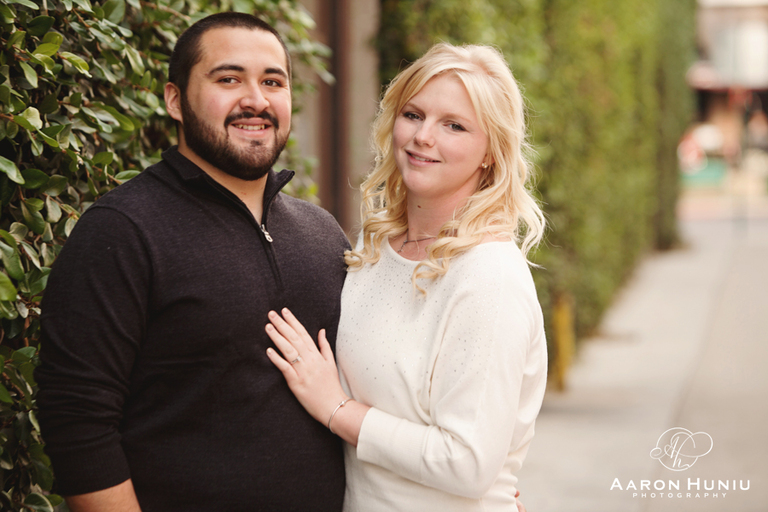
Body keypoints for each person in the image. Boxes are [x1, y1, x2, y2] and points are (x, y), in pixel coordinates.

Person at [34, 12, 349, 512]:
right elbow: (78, 422)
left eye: (273, 82)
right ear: (175, 100)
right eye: (229, 79)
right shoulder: (122, 231)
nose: (256, 100)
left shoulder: (323, 233)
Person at [265, 42, 548, 511]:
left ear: (490, 153)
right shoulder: (374, 248)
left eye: (454, 125)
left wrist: (337, 409)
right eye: (413, 115)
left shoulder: (489, 277)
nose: (423, 137)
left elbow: (467, 463)